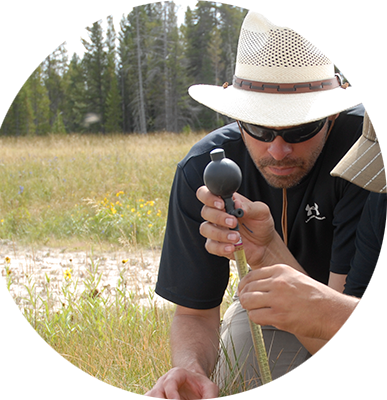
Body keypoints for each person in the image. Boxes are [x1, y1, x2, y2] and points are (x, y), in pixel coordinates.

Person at [143, 7, 371, 400]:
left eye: (301, 128)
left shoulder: (366, 159)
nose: (278, 150)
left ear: (332, 115)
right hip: (273, 310)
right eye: (259, 127)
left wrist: (268, 254)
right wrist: (189, 370)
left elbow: (354, 356)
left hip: (362, 313)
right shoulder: (202, 168)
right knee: (250, 390)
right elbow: (194, 313)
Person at [236, 61, 387, 400]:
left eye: (300, 128)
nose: (278, 150)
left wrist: (327, 310)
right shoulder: (381, 199)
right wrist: (268, 250)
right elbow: (360, 366)